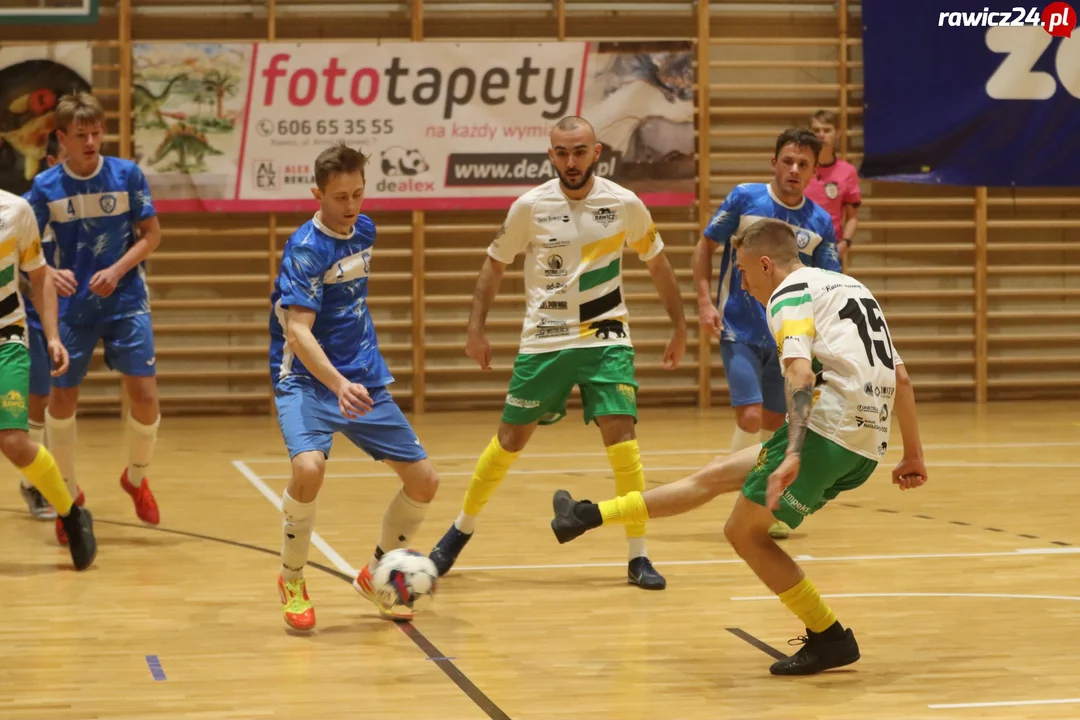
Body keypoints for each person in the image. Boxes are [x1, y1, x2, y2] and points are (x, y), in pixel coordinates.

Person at [550, 218, 928, 676]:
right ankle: (586, 516)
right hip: (866, 445)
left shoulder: (789, 296)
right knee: (716, 473)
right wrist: (913, 454)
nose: (744, 286)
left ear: (766, 264)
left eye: (744, 274)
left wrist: (791, 452)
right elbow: (901, 378)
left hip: (827, 434)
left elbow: (800, 374)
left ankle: (829, 636)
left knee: (743, 533)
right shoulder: (850, 288)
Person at [428, 115, 687, 591]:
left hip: (606, 337)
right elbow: (493, 265)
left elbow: (659, 264)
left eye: (580, 151)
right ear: (551, 155)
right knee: (509, 441)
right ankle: (459, 531)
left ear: (597, 152)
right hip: (545, 340)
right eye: (562, 153)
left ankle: (638, 556)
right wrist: (475, 329)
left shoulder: (625, 203)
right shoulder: (530, 207)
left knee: (623, 440)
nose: (572, 161)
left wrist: (679, 325)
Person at [269, 142, 441, 630]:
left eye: (358, 194)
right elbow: (298, 332)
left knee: (424, 481)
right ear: (317, 193)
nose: (350, 207)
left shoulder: (365, 229)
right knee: (308, 469)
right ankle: (292, 577)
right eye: (339, 196)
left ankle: (378, 574)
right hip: (307, 378)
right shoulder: (306, 250)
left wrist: (353, 377)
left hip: (362, 378)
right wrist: (337, 382)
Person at [25, 92, 163, 546]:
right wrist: (51, 269)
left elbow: (151, 235)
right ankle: (67, 496)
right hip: (72, 309)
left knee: (144, 395)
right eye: (80, 135)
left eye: (97, 133)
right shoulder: (45, 188)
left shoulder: (127, 175)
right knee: (61, 403)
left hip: (126, 300)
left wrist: (119, 267)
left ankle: (136, 478)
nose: (91, 142)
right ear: (60, 138)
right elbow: (26, 244)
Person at [693, 127, 841, 539]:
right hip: (737, 327)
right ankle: (738, 488)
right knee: (751, 414)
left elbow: (833, 279)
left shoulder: (819, 221)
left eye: (804, 164)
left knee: (777, 426)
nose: (794, 169)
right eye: (788, 161)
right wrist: (705, 301)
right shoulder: (745, 198)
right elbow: (706, 245)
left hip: (788, 337)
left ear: (814, 171)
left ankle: (764, 498)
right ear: (773, 162)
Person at [0, 188, 97, 571]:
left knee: (13, 441)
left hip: (6, 337)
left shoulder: (15, 211)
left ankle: (71, 514)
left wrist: (53, 336)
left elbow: (40, 278)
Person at [16, 130, 65, 520]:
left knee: (60, 400)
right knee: (38, 399)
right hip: (31, 312)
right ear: (52, 162)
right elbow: (21, 270)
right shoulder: (27, 207)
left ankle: (56, 483)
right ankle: (33, 484)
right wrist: (48, 275)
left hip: (79, 309)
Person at [803, 110, 861, 268]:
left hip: (829, 248)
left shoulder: (847, 172)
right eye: (816, 130)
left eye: (827, 130)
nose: (821, 135)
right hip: (798, 246)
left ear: (838, 134)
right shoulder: (799, 168)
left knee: (830, 293)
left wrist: (845, 243)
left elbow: (852, 217)